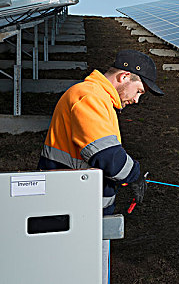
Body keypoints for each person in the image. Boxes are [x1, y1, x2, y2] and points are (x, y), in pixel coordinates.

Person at [38, 49, 164, 284]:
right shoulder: (89, 97)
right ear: (124, 77)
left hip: (79, 211)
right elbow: (108, 157)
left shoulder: (98, 99)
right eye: (138, 91)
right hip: (71, 213)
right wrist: (135, 175)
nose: (136, 100)